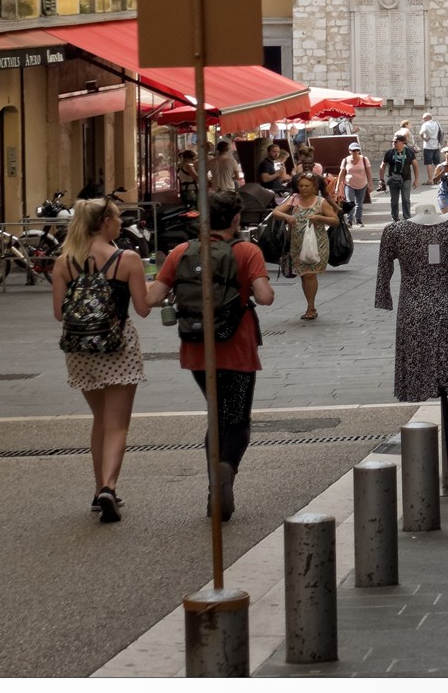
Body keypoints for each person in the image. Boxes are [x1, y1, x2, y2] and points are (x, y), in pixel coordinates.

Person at [148, 189, 274, 520]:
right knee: (237, 420)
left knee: (216, 414)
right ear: (235, 219)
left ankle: (213, 486)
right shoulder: (247, 251)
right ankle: (225, 470)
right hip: (237, 348)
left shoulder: (181, 252)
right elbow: (265, 296)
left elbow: (152, 298)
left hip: (197, 350)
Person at [53, 195, 152, 523]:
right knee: (117, 423)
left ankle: (98, 491)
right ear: (106, 222)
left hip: (80, 349)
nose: (121, 222)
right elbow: (142, 307)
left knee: (100, 420)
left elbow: (58, 313)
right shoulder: (127, 259)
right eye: (117, 217)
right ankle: (109, 486)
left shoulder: (65, 261)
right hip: (118, 347)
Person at [274, 172, 340, 320]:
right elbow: (276, 212)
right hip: (297, 243)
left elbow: (335, 220)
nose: (303, 188)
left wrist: (319, 218)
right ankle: (310, 303)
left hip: (317, 243)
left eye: (307, 186)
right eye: (301, 185)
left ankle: (311, 307)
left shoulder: (321, 202)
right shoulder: (294, 200)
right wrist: (287, 216)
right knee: (304, 275)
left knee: (310, 274)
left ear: (314, 187)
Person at [380, 131, 419, 221]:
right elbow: (382, 166)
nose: (393, 143)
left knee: (406, 199)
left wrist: (416, 179)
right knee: (394, 201)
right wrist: (381, 180)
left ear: (402, 142)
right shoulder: (389, 152)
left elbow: (415, 166)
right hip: (393, 179)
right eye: (393, 141)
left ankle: (407, 218)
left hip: (406, 179)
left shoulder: (409, 152)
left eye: (395, 141)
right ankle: (395, 218)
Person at [336, 140, 371, 226]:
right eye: (353, 150)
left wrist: (370, 185)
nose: (355, 152)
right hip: (349, 184)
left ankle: (358, 220)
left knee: (359, 203)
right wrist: (337, 187)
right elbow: (341, 174)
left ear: (359, 151)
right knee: (350, 202)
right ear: (349, 151)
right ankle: (349, 221)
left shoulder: (364, 159)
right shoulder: (345, 160)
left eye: (357, 150)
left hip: (362, 184)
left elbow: (369, 173)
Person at [419, 110, 443, 183]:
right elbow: (442, 132)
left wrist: (424, 138)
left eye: (424, 119)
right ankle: (438, 179)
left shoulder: (425, 125)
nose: (423, 120)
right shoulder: (437, 124)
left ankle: (430, 179)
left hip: (428, 145)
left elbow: (421, 133)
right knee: (437, 163)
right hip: (436, 145)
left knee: (429, 163)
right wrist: (439, 141)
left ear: (427, 118)